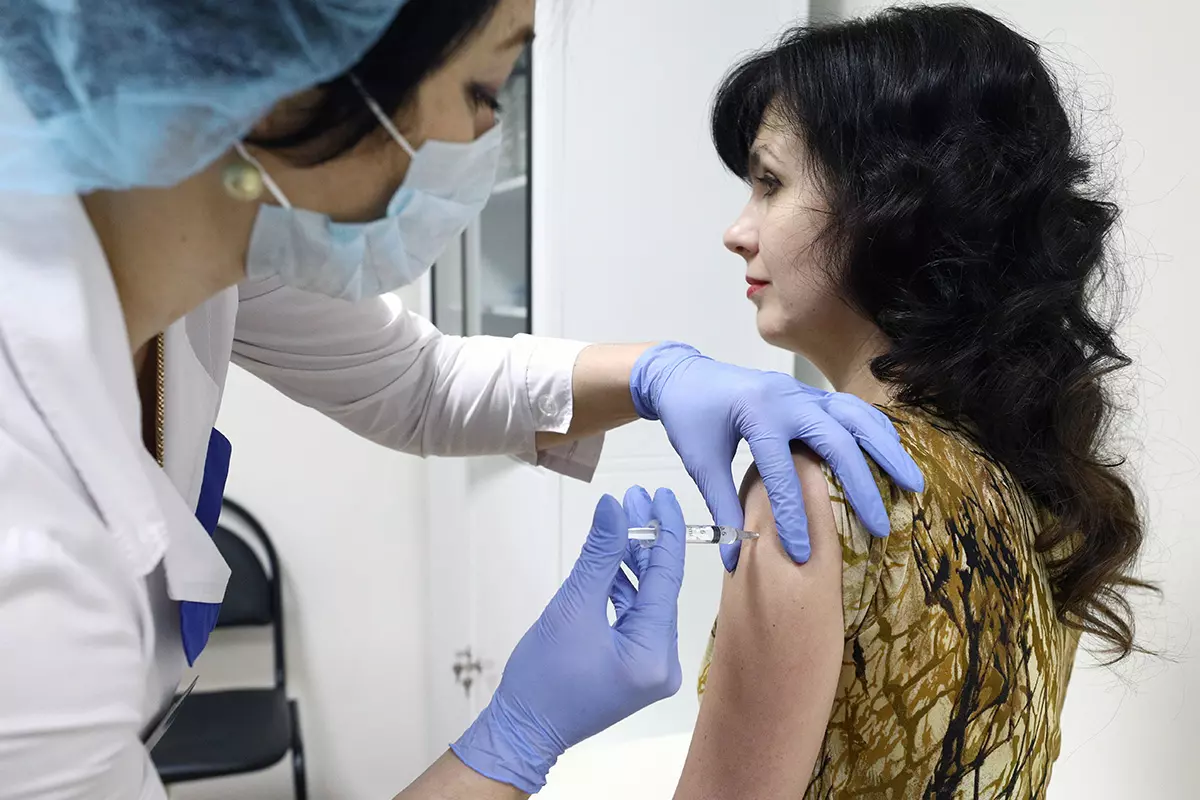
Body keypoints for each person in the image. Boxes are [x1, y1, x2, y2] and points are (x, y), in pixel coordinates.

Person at [0, 0, 924, 797]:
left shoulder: (182, 245)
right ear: (301, 78)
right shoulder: (27, 554)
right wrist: (513, 739)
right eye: (484, 91)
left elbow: (419, 379)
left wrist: (657, 373)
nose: (487, 140)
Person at [674, 6, 1149, 798]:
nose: (738, 231)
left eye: (770, 183)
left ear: (888, 205)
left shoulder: (813, 487)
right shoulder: (1033, 485)